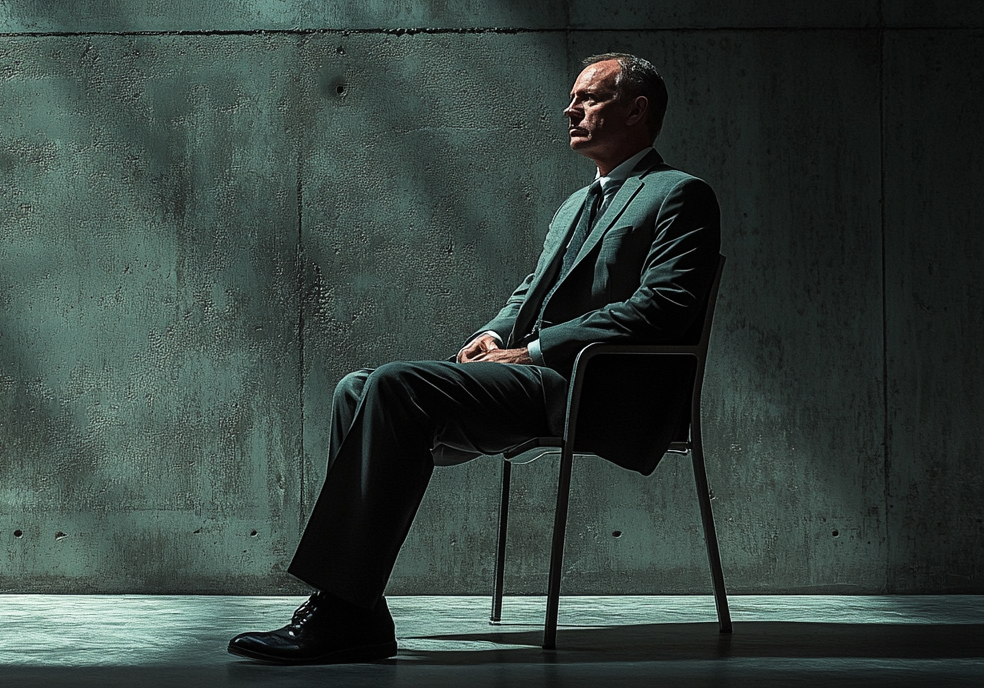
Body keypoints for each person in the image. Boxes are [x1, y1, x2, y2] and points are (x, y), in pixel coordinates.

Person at [227, 53, 722, 664]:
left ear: (638, 109)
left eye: (589, 98)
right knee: (357, 387)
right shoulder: (574, 204)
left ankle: (344, 610)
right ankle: (354, 606)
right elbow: (530, 291)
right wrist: (494, 335)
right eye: (574, 99)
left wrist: (535, 348)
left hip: (593, 387)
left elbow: (664, 306)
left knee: (394, 386)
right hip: (535, 377)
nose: (571, 109)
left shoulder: (680, 195)